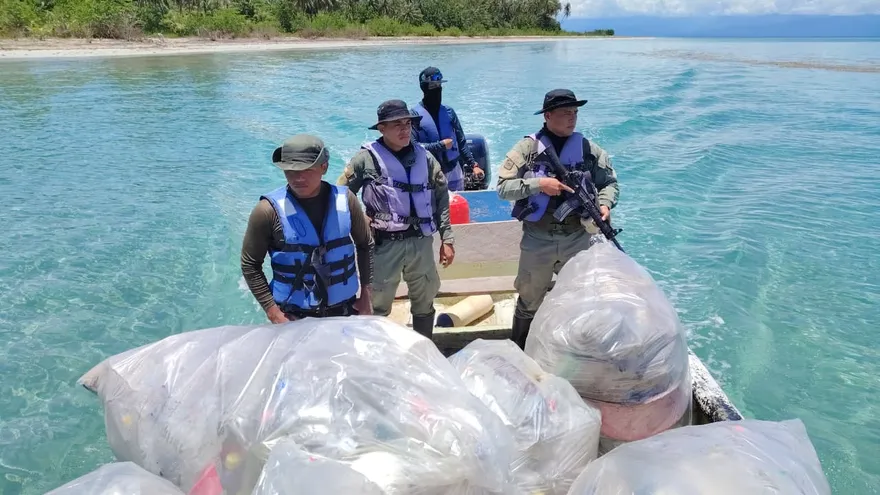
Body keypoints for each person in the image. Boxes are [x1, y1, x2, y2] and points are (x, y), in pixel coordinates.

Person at [497, 89, 620, 349]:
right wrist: (539, 184)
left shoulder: (588, 149)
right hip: (537, 239)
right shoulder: (528, 148)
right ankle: (519, 349)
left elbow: (609, 183)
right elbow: (503, 188)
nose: (572, 118)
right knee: (529, 300)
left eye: (575, 112)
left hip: (577, 238)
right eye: (565, 112)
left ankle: (569, 352)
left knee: (578, 300)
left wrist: (606, 206)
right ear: (548, 115)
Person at [337, 99, 456, 339]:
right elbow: (339, 197)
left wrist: (447, 238)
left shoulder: (426, 157)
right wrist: (360, 223)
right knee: (377, 305)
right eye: (396, 124)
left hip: (421, 243)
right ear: (381, 128)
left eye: (407, 123)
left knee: (424, 300)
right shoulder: (364, 160)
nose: (404, 129)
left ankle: (425, 349)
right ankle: (380, 357)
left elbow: (442, 197)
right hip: (383, 246)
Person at [241, 134, 375, 323]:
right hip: (293, 316)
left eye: (306, 169)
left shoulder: (347, 201)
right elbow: (250, 264)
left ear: (324, 167)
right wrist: (273, 312)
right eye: (290, 170)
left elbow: (365, 244)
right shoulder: (266, 211)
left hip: (345, 310)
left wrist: (367, 294)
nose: (298, 177)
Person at [410, 66, 485, 191]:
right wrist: (440, 145)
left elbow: (461, 141)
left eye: (439, 86)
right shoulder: (414, 115)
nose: (437, 89)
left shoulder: (449, 112)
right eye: (433, 86)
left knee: (457, 206)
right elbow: (412, 147)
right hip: (428, 173)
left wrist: (474, 165)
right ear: (424, 88)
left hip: (454, 171)